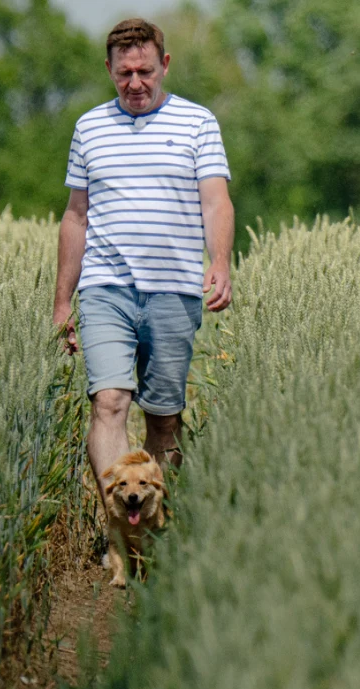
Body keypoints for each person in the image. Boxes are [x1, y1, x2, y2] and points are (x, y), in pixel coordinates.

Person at [52, 18, 234, 499]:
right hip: (105, 288)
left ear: (165, 66)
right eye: (124, 72)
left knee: (165, 419)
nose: (135, 83)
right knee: (109, 402)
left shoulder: (198, 123)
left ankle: (152, 527)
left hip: (174, 289)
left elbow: (216, 201)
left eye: (145, 71)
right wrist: (61, 303)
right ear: (109, 69)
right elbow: (75, 217)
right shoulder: (89, 127)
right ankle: (121, 525)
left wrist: (219, 262)